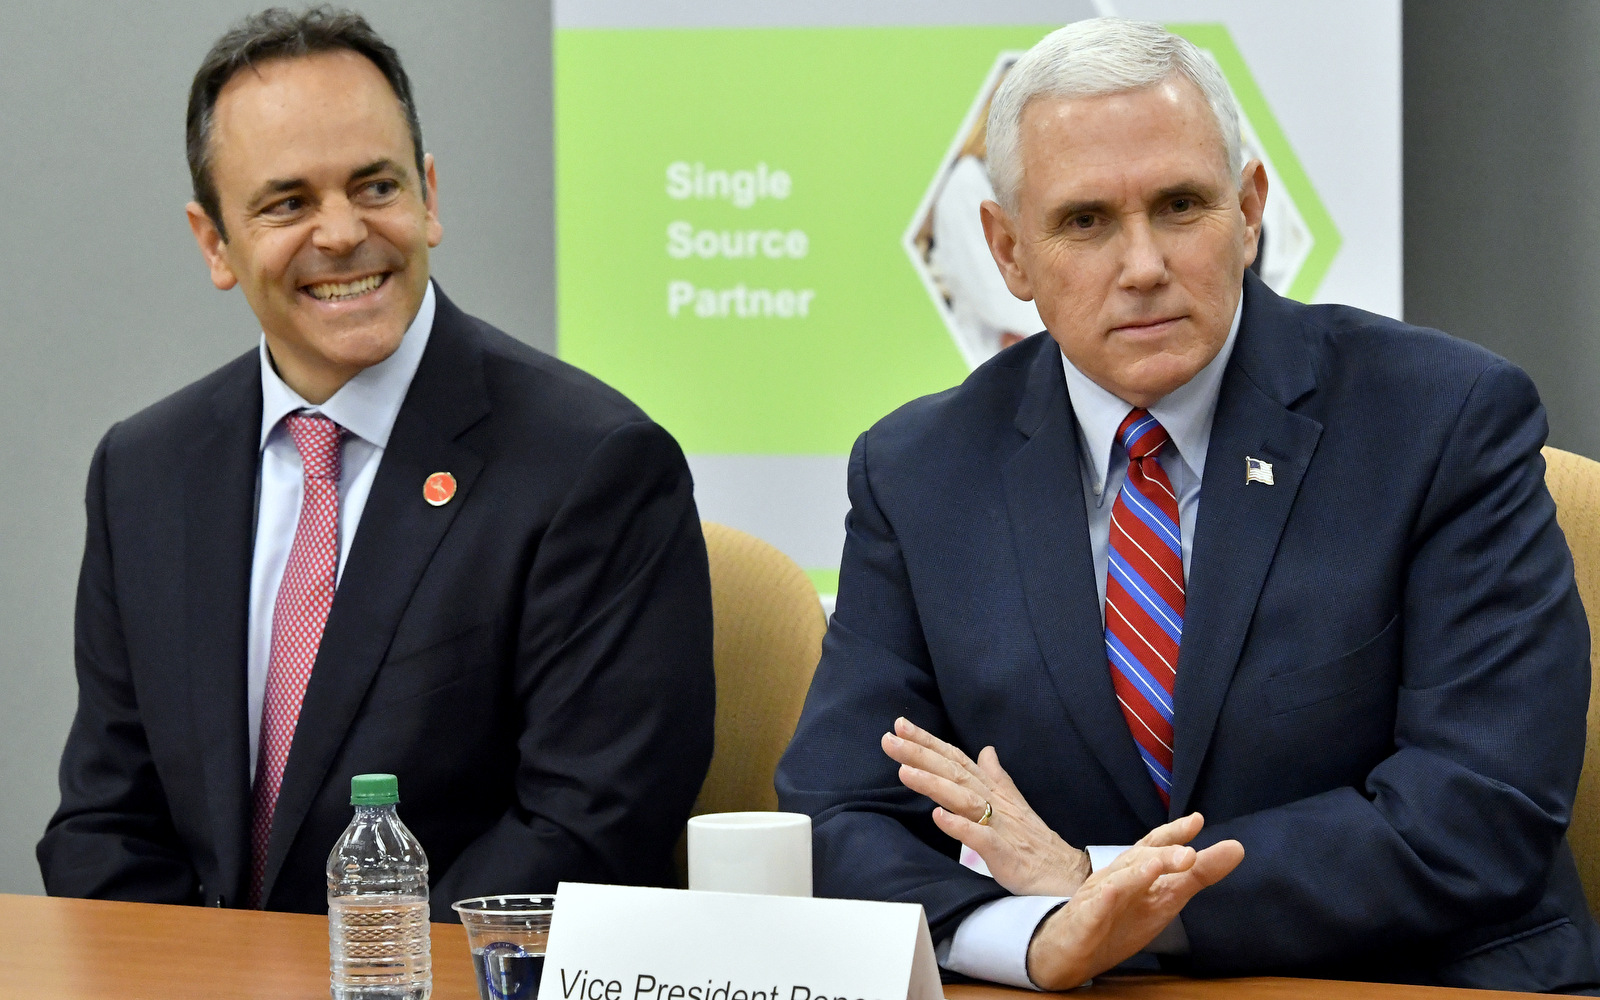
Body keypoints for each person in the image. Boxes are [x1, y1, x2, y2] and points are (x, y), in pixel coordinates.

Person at [776, 17, 1600, 993]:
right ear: (1007, 252)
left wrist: (1112, 890)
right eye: (1084, 221)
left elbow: (1481, 806)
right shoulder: (917, 472)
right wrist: (1038, 935)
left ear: (1249, 210)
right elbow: (836, 814)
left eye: (1178, 205)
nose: (1141, 266)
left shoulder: (1442, 420)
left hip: (1407, 980)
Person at [38, 7, 715, 918]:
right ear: (214, 244)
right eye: (287, 203)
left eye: (375, 186)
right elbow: (106, 824)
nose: (341, 232)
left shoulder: (594, 468)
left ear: (429, 197)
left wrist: (353, 977)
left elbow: (587, 828)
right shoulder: (145, 473)